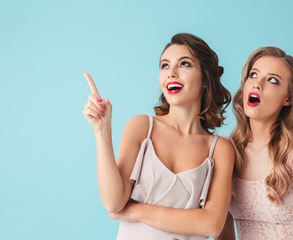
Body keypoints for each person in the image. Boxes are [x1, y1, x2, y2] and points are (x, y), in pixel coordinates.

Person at [83, 33, 234, 239]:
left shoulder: (219, 150)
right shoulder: (142, 127)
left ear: (205, 79)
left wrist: (137, 211)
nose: (171, 73)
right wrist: (102, 130)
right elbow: (113, 202)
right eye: (165, 65)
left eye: (184, 64)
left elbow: (212, 225)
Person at [216, 47, 293, 240]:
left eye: (272, 80)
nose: (257, 85)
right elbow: (222, 235)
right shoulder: (224, 151)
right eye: (253, 75)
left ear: (288, 98)